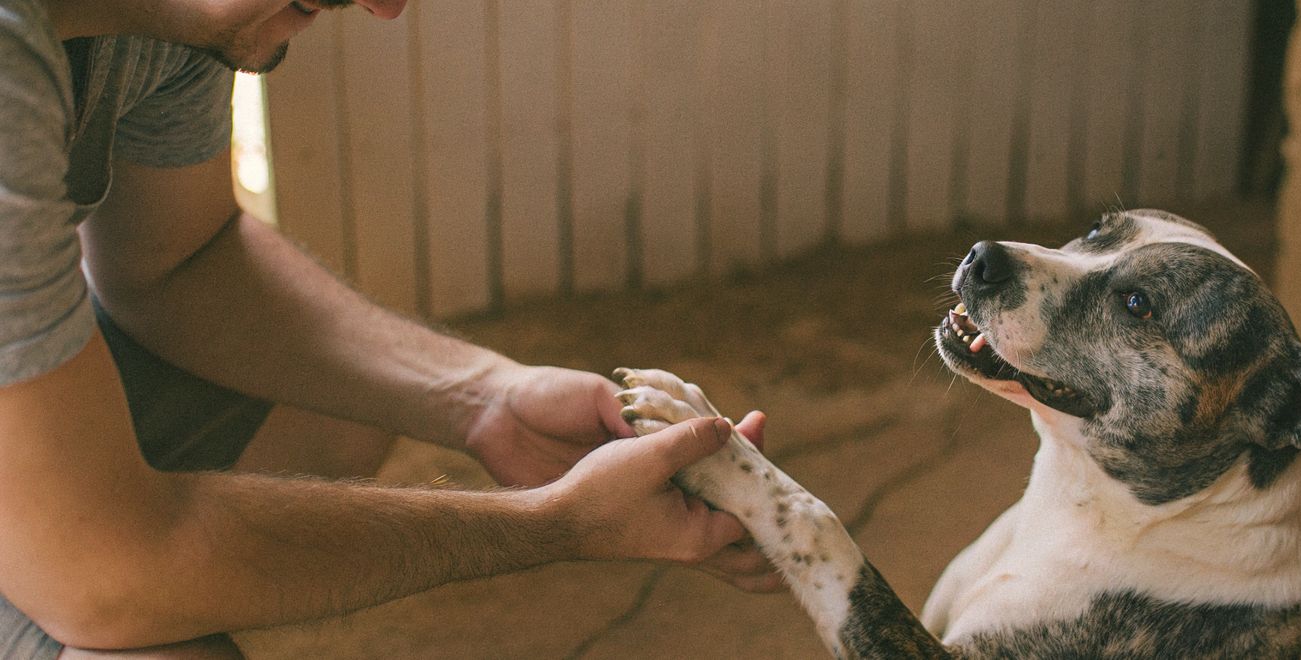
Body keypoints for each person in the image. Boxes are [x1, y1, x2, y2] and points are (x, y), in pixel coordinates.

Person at [0, 0, 781, 657]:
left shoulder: (167, 19)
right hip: (99, 558)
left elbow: (177, 261)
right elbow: (112, 570)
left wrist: (485, 397)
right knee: (150, 630)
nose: (385, 5)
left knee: (335, 404)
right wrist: (553, 525)